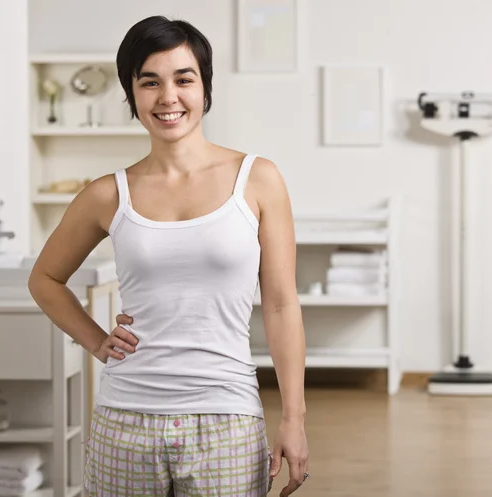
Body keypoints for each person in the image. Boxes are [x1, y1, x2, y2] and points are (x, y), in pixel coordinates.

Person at [28, 14, 308, 497]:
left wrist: (295, 419)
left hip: (227, 418)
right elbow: (45, 279)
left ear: (205, 88)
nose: (168, 97)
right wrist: (97, 342)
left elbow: (282, 305)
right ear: (131, 94)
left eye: (184, 79)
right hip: (125, 420)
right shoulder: (106, 194)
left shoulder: (258, 179)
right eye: (150, 82)